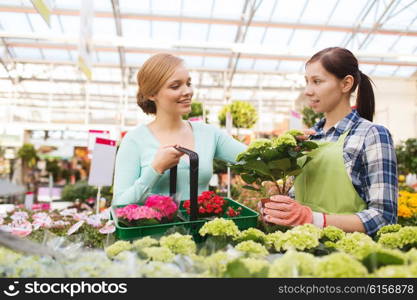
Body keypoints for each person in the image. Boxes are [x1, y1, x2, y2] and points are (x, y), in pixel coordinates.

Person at [262, 47, 398, 236]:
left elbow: (384, 217)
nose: (308, 91)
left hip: (349, 257)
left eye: (317, 81)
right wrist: (279, 208)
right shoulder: (308, 138)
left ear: (346, 84)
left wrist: (313, 219)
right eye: (307, 82)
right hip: (300, 252)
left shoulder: (372, 135)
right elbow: (299, 202)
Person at [112, 53, 246, 206]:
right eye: (175, 86)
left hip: (201, 228)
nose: (188, 91)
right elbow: (118, 205)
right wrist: (155, 169)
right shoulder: (134, 140)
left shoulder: (209, 134)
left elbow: (256, 159)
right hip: (153, 229)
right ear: (151, 94)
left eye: (188, 83)